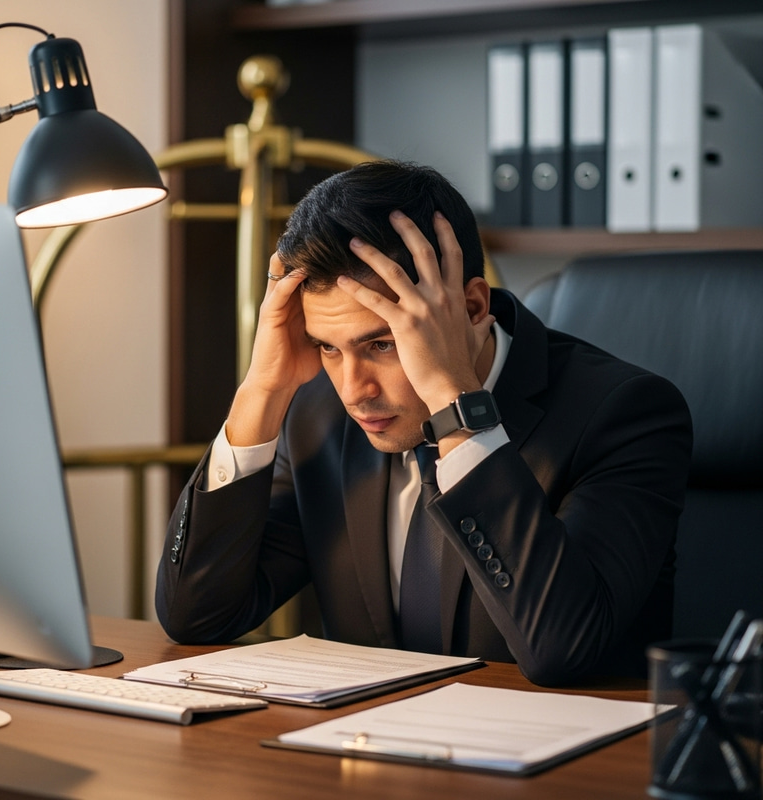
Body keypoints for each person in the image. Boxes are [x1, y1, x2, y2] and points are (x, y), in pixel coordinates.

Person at [156, 160, 692, 686]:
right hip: (360, 757)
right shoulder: (316, 413)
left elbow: (562, 649)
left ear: (473, 307)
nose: (354, 390)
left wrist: (455, 405)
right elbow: (197, 618)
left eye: (383, 343)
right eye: (328, 348)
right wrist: (262, 392)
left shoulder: (625, 414)